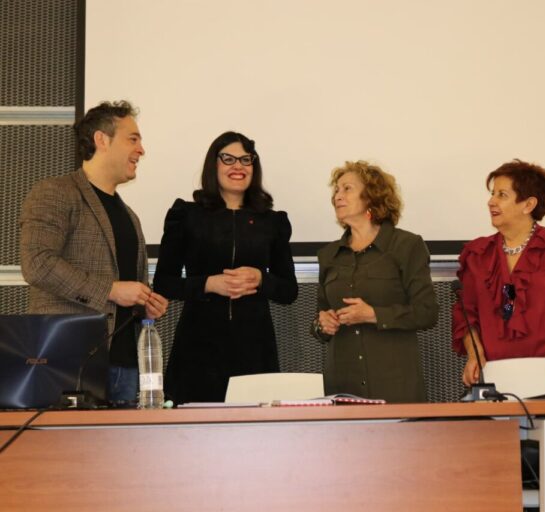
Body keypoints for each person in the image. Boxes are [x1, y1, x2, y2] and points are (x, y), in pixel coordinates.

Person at [20, 100, 169, 405]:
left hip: (127, 367)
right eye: (133, 139)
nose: (141, 150)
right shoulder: (55, 192)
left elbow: (126, 288)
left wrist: (145, 302)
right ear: (102, 140)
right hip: (69, 361)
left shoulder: (130, 215)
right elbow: (37, 263)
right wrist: (111, 290)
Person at [153, 131, 298, 403]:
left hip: (254, 348)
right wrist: (207, 284)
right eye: (228, 159)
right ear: (213, 164)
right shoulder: (187, 215)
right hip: (198, 347)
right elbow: (163, 283)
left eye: (246, 160)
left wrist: (260, 279)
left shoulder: (272, 221)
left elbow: (289, 291)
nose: (238, 167)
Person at [452, 160, 545, 388]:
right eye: (493, 194)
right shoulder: (478, 254)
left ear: (528, 204)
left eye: (502, 195)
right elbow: (466, 313)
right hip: (492, 375)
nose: (491, 201)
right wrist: (474, 352)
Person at [311, 161, 438, 403]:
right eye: (336, 190)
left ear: (371, 196)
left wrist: (373, 314)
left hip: (394, 386)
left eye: (346, 188)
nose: (338, 195)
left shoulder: (406, 246)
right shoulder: (328, 255)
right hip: (342, 387)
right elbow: (319, 318)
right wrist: (322, 324)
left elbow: (427, 313)